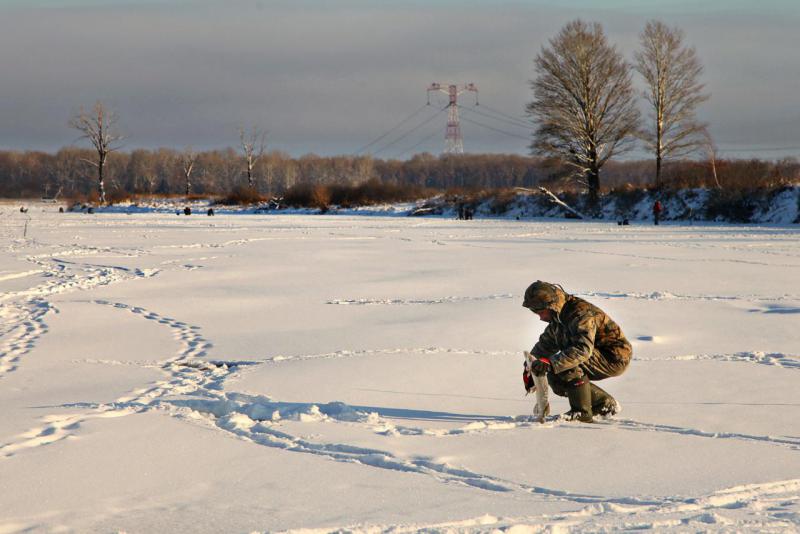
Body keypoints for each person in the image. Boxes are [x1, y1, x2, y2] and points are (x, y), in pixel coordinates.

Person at [522, 281, 632, 422]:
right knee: (554, 374)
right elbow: (545, 344)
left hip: (614, 356)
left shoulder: (580, 313)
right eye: (534, 312)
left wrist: (550, 364)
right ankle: (604, 404)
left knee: (564, 364)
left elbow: (582, 350)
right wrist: (531, 366)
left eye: (540, 311)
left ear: (551, 305)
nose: (539, 317)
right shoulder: (558, 317)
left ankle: (582, 412)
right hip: (596, 354)